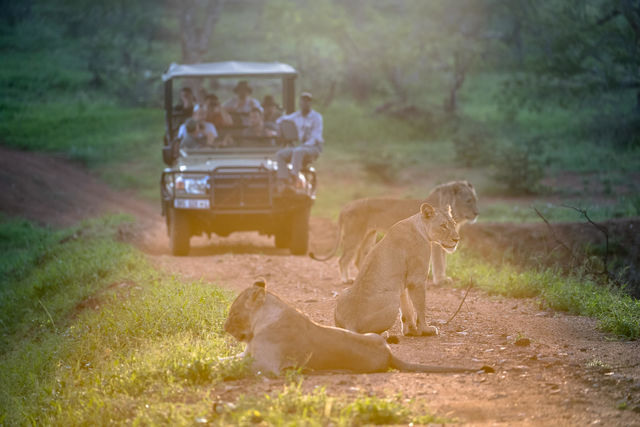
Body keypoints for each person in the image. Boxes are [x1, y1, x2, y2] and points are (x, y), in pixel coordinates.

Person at [275, 92, 323, 190]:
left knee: (298, 151)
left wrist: (304, 146)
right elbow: (280, 120)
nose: (305, 103)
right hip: (301, 147)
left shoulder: (316, 117)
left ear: (310, 103)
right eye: (303, 101)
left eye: (307, 101)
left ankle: (294, 177)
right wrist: (279, 128)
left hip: (313, 147)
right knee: (280, 154)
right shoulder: (296, 116)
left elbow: (316, 136)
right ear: (300, 103)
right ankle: (284, 181)